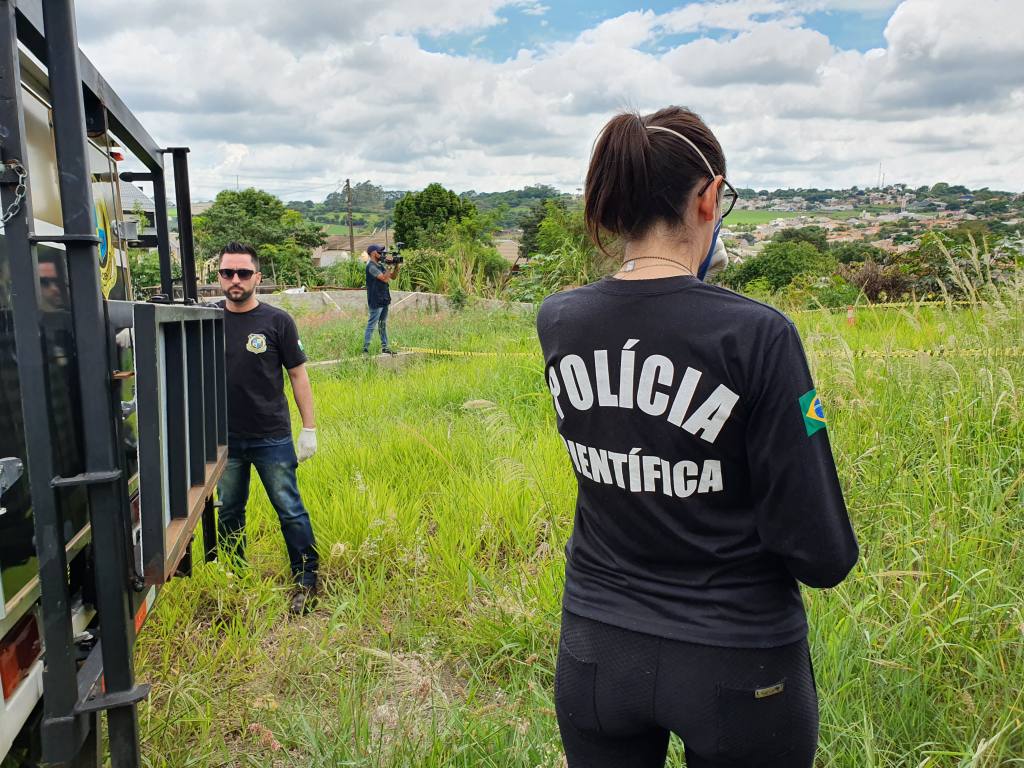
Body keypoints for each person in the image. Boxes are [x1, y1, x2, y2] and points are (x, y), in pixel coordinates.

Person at [537, 107, 858, 768]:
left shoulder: (559, 320)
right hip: (739, 663)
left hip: (595, 648)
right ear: (709, 198)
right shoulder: (758, 335)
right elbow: (822, 553)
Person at [215, 242, 320, 614]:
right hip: (222, 440)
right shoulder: (205, 319)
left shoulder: (277, 321)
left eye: (244, 273)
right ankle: (233, 578)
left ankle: (306, 580)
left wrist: (309, 428)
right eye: (228, 273)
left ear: (257, 277)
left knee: (289, 508)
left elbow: (297, 374)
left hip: (271, 435)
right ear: (219, 277)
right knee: (228, 511)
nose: (236, 280)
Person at [363, 243, 399, 354]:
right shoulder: (371, 266)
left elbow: (392, 277)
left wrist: (396, 266)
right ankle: (366, 349)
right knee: (372, 324)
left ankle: (385, 347)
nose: (382, 254)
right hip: (375, 300)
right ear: (373, 253)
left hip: (384, 298)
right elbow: (384, 278)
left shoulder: (379, 265)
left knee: (382, 324)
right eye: (379, 252)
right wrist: (389, 265)